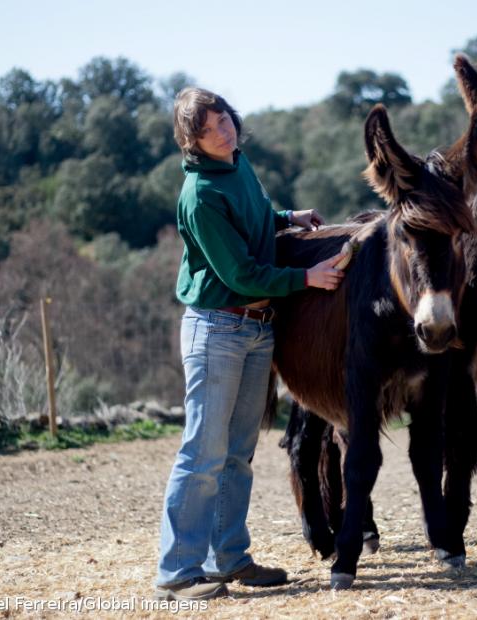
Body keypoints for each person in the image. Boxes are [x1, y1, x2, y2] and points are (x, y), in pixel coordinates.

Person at [155, 87, 346, 602]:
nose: (223, 131)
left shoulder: (238, 165)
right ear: (191, 141)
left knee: (237, 454)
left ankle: (229, 559)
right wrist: (307, 278)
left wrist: (288, 220)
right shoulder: (199, 195)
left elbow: (256, 223)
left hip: (257, 328)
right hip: (219, 328)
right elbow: (239, 271)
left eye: (224, 119)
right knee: (203, 453)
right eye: (209, 128)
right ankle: (178, 573)